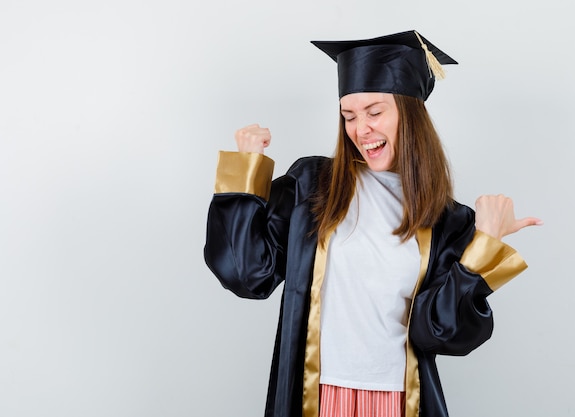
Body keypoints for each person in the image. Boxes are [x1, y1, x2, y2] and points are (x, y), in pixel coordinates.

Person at [204, 30, 542, 417]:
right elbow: (247, 275)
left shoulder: (448, 220)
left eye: (375, 112)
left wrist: (484, 244)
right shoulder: (312, 186)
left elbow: (441, 332)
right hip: (318, 394)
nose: (360, 129)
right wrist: (247, 171)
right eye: (349, 116)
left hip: (400, 400)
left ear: (410, 114)